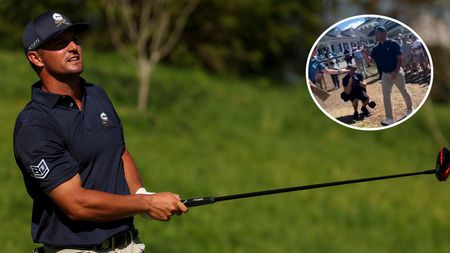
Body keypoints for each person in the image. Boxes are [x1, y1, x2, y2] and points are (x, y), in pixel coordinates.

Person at [13, 12, 188, 253]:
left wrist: (140, 193)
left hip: (128, 245)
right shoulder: (34, 125)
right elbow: (76, 204)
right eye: (60, 44)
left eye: (74, 39)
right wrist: (145, 203)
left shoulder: (96, 94)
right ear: (36, 58)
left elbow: (119, 151)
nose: (74, 47)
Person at [369, 26, 413, 126]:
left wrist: (396, 72)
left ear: (384, 33)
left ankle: (410, 109)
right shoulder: (376, 48)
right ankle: (389, 118)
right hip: (385, 74)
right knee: (386, 96)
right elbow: (370, 62)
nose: (376, 35)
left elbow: (400, 58)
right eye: (375, 33)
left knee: (403, 90)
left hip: (396, 72)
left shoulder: (393, 44)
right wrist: (365, 56)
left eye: (377, 33)